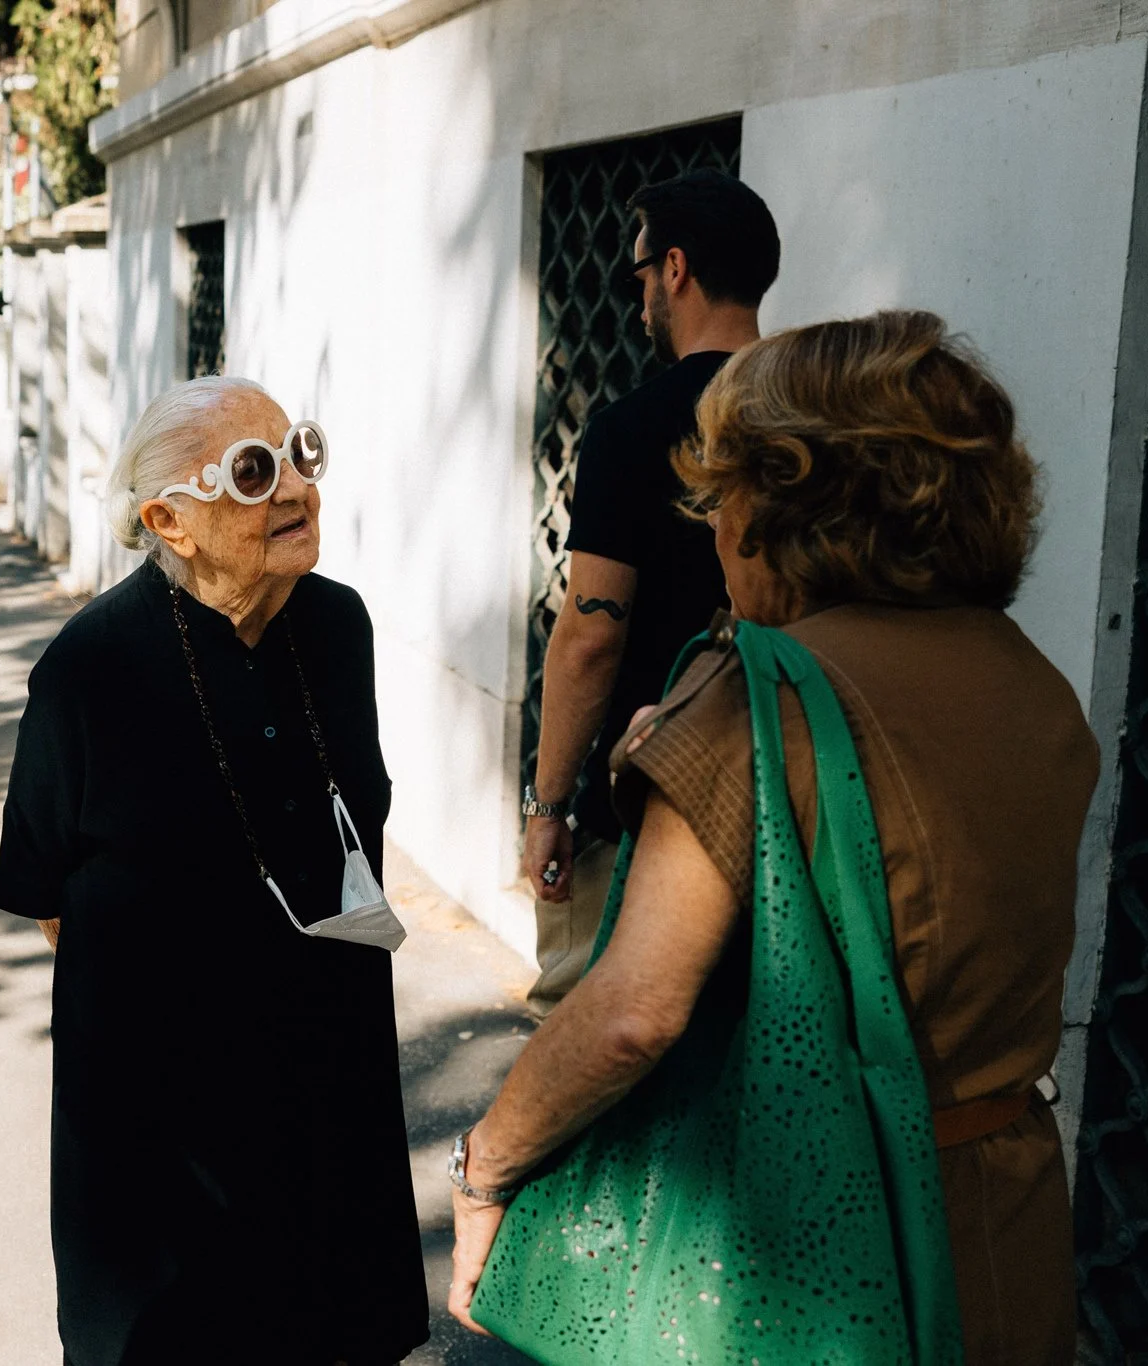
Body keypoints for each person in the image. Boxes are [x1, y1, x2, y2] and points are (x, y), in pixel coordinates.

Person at [449, 310, 1097, 1364]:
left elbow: (631, 1013)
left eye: (721, 494)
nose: (711, 527)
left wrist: (482, 1168)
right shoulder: (1032, 682)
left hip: (809, 1251)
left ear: (782, 503)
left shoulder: (755, 709)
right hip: (995, 1216)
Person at [0, 376, 429, 1366]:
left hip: (329, 1083)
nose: (294, 490)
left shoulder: (337, 627)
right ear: (167, 521)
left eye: (298, 454)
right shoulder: (89, 666)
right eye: (252, 470)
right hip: (163, 1132)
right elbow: (48, 895)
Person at [520, 169, 781, 1017]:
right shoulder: (819, 413)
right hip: (785, 794)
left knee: (594, 1040)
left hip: (649, 799)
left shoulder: (632, 428)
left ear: (674, 270)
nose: (638, 302)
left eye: (638, 276)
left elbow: (591, 635)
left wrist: (548, 805)